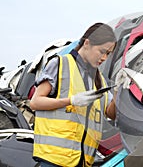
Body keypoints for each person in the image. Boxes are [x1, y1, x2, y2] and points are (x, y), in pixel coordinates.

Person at [30, 22, 117, 167]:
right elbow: (35, 102)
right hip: (53, 159)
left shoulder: (100, 80)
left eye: (108, 54)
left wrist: (120, 90)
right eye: (102, 51)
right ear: (87, 43)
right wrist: (71, 100)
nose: (104, 58)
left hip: (81, 161)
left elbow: (111, 113)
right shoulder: (60, 64)